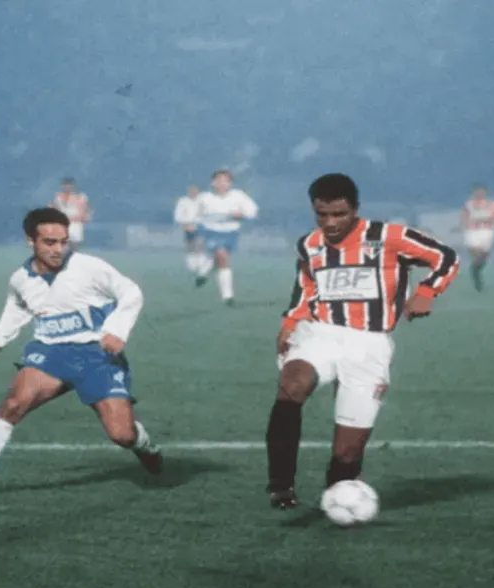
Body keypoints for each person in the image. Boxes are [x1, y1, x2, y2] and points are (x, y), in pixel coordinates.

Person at [265, 173, 459, 509]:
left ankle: (339, 495)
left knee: (347, 451)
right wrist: (289, 321)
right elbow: (306, 286)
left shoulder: (389, 237)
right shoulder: (309, 244)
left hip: (368, 344)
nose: (330, 222)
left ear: (356, 208)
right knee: (292, 385)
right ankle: (281, 485)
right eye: (322, 214)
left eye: (339, 214)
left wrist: (427, 292)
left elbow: (445, 257)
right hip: (319, 333)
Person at [0, 207, 162, 498]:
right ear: (30, 241)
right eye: (49, 242)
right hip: (50, 354)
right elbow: (17, 307)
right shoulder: (20, 279)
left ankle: (144, 446)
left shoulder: (89, 267)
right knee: (12, 405)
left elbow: (131, 293)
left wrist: (117, 331)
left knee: (122, 434)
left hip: (98, 356)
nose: (58, 249)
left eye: (63, 241)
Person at [194, 170, 258, 305]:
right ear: (212, 183)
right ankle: (228, 297)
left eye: (225, 181)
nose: (221, 184)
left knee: (219, 258)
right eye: (218, 180)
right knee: (222, 256)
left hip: (231, 232)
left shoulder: (238, 196)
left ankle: (203, 272)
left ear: (230, 183)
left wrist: (241, 214)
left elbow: (252, 210)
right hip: (211, 231)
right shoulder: (205, 197)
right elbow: (194, 213)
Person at [458, 184, 494, 292]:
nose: (479, 194)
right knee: (476, 253)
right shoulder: (468, 205)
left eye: (482, 192)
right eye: (477, 192)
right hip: (472, 232)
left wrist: (490, 221)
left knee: (483, 257)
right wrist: (465, 224)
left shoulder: (492, 205)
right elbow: (463, 218)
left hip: (486, 232)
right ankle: (476, 277)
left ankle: (475, 270)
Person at [50, 177, 91, 251]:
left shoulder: (80, 197)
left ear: (73, 186)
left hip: (75, 224)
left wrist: (84, 217)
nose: (67, 187)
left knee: (74, 246)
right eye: (65, 185)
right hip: (63, 224)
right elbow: (53, 209)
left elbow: (85, 211)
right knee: (63, 244)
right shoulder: (58, 197)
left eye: (69, 185)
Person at [173, 184, 205, 274]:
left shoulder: (202, 201)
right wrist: (184, 224)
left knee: (199, 243)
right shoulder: (183, 201)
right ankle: (191, 264)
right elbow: (178, 214)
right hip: (187, 224)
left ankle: (200, 263)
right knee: (190, 245)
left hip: (200, 224)